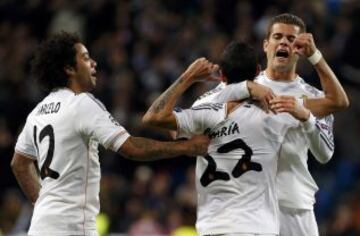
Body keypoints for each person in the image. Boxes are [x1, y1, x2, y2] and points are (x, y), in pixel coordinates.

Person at [10, 31, 210, 236]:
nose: (94, 63)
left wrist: (43, 202)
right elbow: (131, 148)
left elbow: (19, 163)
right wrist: (187, 147)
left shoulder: (37, 112)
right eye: (86, 58)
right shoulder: (82, 103)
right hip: (72, 226)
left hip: (40, 226)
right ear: (69, 68)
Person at [200, 14, 349, 235]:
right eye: (278, 36)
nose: (284, 42)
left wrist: (306, 117)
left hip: (294, 207)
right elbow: (201, 112)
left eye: (291, 39)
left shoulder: (313, 97)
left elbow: (324, 154)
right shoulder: (243, 87)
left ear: (300, 48)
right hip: (248, 207)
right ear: (266, 44)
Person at [142, 52, 316, 236]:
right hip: (257, 226)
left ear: (222, 76)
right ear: (258, 72)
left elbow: (153, 117)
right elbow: (336, 102)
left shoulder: (205, 111)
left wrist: (189, 77)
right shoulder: (276, 111)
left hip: (214, 226)